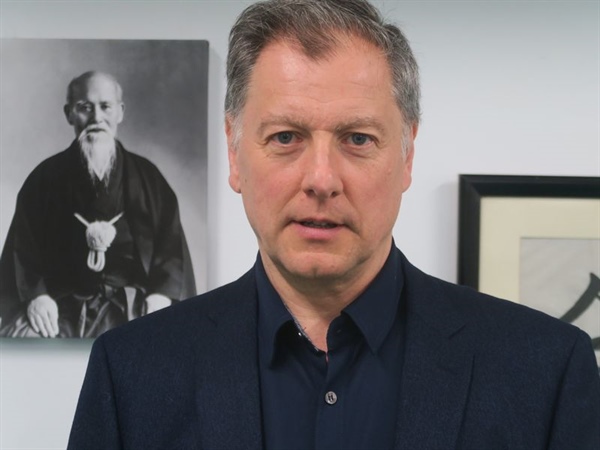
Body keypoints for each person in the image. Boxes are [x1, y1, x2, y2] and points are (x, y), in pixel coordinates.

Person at [68, 0, 600, 448]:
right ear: (234, 153)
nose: (321, 179)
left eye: (358, 139)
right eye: (285, 137)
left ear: (407, 156)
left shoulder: (545, 371)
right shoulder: (130, 374)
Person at [0, 71, 196, 338]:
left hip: (133, 307)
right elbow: (22, 251)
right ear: (69, 114)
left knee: (172, 345)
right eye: (84, 107)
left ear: (120, 112)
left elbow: (171, 250)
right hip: (59, 310)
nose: (96, 118)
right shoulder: (43, 180)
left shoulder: (148, 178)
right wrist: (37, 296)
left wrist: (161, 295)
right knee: (25, 344)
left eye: (105, 107)